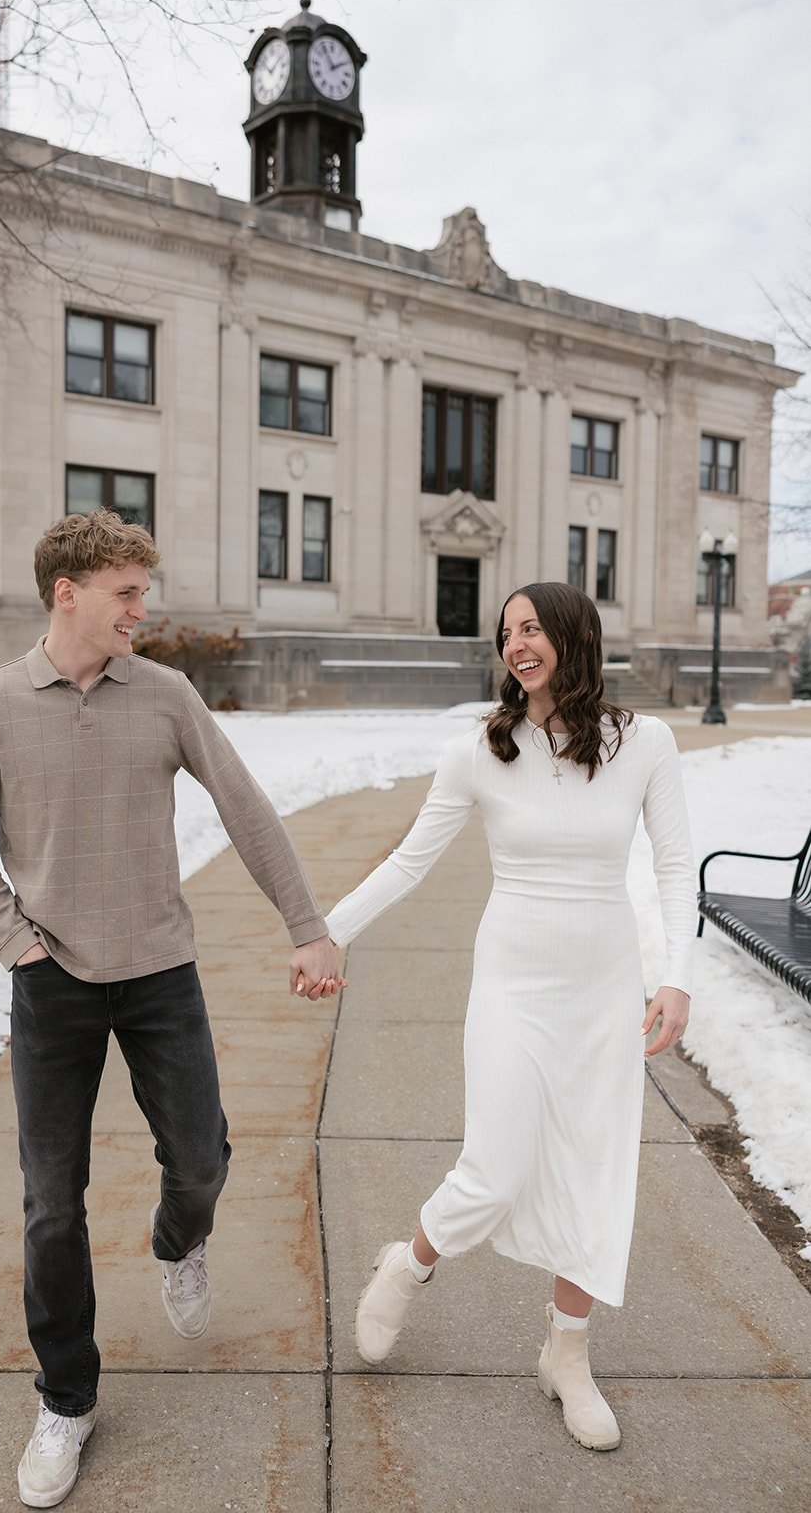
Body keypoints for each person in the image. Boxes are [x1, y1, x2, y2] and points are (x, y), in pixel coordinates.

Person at [0, 510, 342, 1509]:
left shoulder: (163, 694)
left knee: (199, 1157)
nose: (141, 609)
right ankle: (65, 1399)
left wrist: (307, 924)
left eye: (143, 591)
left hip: (160, 969)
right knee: (49, 1201)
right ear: (65, 592)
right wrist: (18, 946)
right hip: (52, 985)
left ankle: (178, 1240)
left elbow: (243, 806)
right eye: (126, 591)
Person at [300, 582, 693, 1452]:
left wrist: (677, 979)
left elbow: (673, 864)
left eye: (531, 628)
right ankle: (409, 1266)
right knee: (496, 1164)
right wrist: (325, 935)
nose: (516, 644)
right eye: (506, 632)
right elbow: (408, 862)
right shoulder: (483, 749)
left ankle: (566, 1355)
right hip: (512, 986)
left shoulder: (645, 742)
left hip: (603, 989)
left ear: (570, 637)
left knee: (594, 1176)